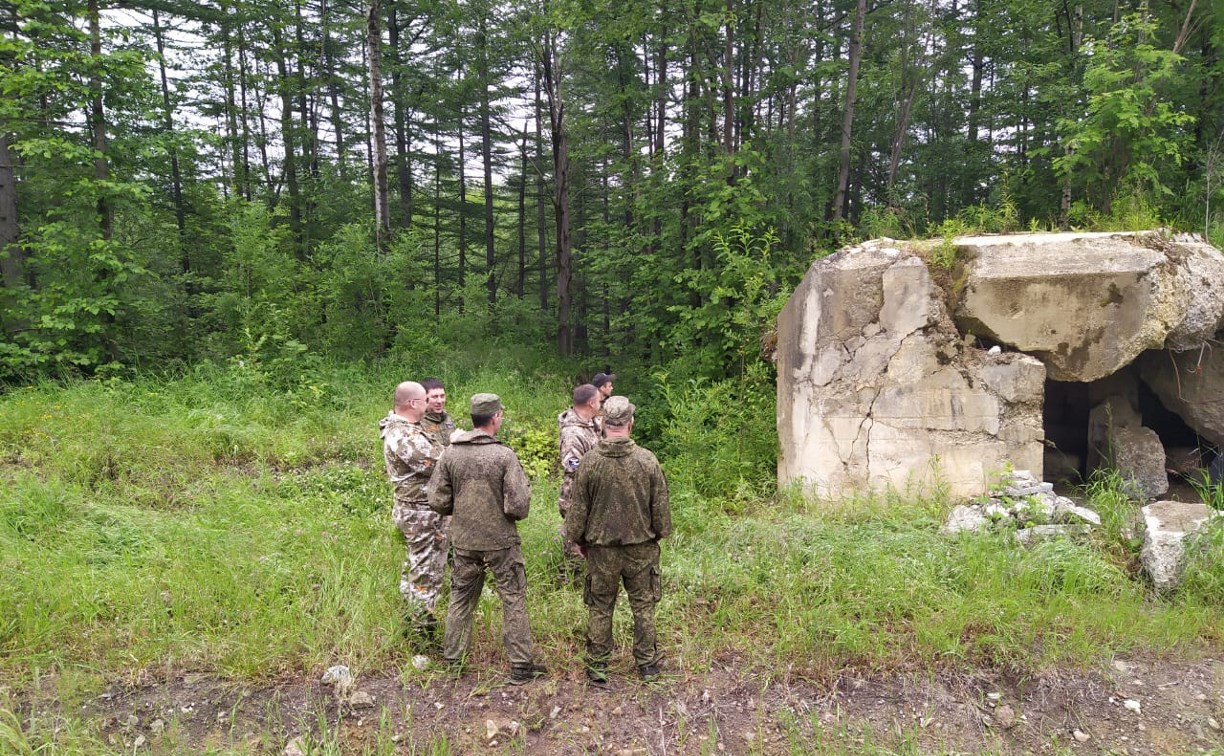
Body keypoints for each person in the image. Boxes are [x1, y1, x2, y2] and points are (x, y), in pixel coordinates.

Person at [428, 393, 547, 685]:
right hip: (501, 542)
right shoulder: (504, 455)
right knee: (513, 598)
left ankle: (454, 662)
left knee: (460, 599)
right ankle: (520, 667)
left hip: (465, 540)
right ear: (495, 418)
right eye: (501, 414)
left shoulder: (451, 454)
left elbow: (437, 499)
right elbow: (518, 507)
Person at [566, 396, 671, 684]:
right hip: (641, 550)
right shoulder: (647, 460)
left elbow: (577, 511)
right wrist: (658, 535)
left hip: (601, 552)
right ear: (630, 423)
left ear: (603, 423)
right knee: (643, 605)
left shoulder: (589, 463)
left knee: (600, 606)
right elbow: (661, 513)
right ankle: (647, 665)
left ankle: (598, 666)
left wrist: (576, 540)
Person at [379, 381, 447, 639]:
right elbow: (435, 463)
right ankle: (421, 633)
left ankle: (414, 621)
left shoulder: (408, 428)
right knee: (425, 572)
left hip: (421, 511)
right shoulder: (403, 434)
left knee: (416, 566)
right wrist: (458, 445)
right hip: (420, 514)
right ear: (413, 403)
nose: (431, 404)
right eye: (426, 400)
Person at [556, 384, 602, 579]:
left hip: (590, 491)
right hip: (576, 493)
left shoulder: (590, 425)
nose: (601, 404)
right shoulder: (573, 432)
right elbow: (571, 463)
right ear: (591, 403)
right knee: (574, 538)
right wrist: (594, 471)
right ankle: (568, 579)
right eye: (599, 400)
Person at [420, 377, 456, 446]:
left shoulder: (446, 418)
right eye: (435, 397)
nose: (440, 401)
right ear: (424, 398)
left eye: (442, 396)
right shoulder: (418, 423)